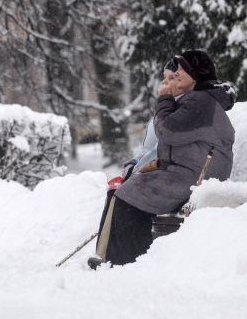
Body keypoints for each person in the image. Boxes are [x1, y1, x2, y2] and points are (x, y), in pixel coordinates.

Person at [91, 49, 236, 268]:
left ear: (195, 74)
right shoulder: (196, 100)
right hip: (187, 172)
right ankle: (117, 259)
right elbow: (171, 140)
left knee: (132, 195)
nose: (176, 74)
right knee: (129, 189)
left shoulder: (200, 102)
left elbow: (167, 131)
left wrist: (164, 99)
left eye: (180, 70)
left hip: (199, 178)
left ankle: (127, 263)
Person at [91, 58, 184, 268]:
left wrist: (141, 169)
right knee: (114, 190)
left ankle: (126, 258)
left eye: (173, 78)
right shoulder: (162, 112)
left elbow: (163, 150)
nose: (166, 84)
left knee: (127, 195)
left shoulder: (179, 113)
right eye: (165, 78)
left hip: (160, 173)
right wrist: (132, 163)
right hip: (146, 170)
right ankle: (107, 255)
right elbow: (146, 148)